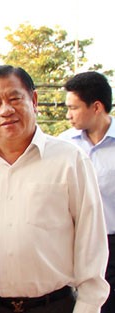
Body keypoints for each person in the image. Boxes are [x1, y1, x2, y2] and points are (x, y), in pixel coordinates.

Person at [0, 65, 109, 313]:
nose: (6, 110)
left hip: (54, 306)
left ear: (33, 100)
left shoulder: (69, 159)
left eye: (15, 98)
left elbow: (91, 241)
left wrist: (87, 307)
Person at [59, 71, 115, 313]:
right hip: (72, 249)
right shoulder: (62, 146)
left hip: (112, 247)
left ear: (97, 107)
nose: (68, 115)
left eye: (74, 108)